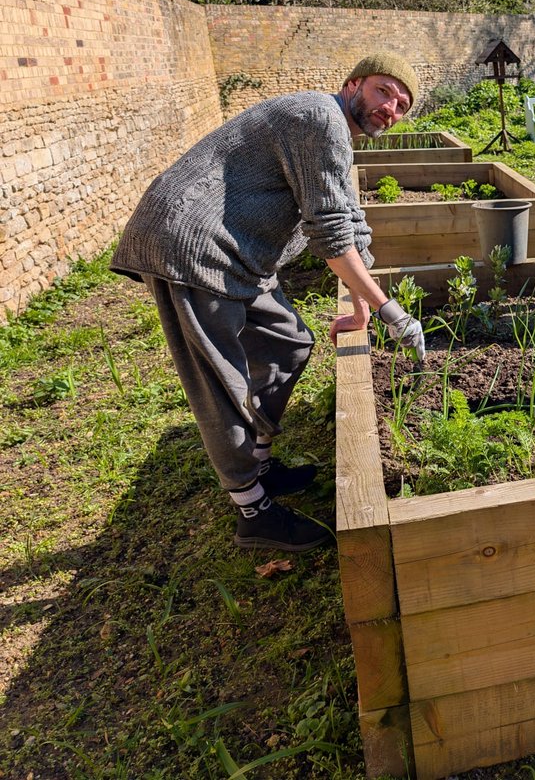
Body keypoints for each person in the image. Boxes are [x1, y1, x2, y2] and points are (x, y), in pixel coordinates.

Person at [111, 53, 429, 553]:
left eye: (402, 105)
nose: (391, 107)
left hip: (241, 255)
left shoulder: (336, 137)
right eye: (384, 91)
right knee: (223, 383)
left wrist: (363, 310)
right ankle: (253, 512)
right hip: (193, 246)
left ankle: (259, 462)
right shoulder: (319, 116)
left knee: (290, 344)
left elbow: (348, 221)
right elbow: (328, 235)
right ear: (354, 84)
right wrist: (393, 313)